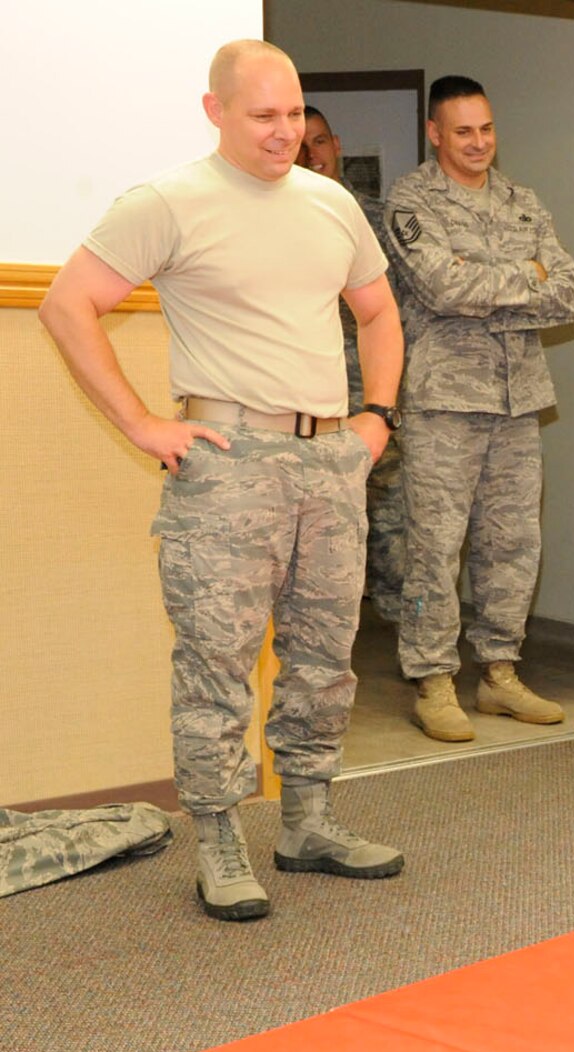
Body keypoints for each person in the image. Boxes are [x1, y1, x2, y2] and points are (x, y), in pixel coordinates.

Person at [38, 39, 406, 921]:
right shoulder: (169, 200)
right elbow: (66, 301)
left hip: (329, 464)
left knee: (323, 657)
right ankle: (217, 837)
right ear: (216, 112)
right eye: (264, 117)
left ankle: (308, 820)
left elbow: (379, 308)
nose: (287, 134)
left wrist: (378, 416)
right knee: (217, 662)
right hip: (230, 465)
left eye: (295, 115)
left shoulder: (329, 203)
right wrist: (141, 422)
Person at [382, 75, 574, 743]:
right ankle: (432, 678)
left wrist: (491, 282)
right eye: (463, 131)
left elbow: (570, 296)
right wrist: (528, 279)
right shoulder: (412, 202)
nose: (479, 142)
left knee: (513, 542)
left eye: (487, 129)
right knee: (434, 546)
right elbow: (439, 284)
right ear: (435, 134)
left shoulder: (524, 202)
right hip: (444, 398)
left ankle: (498, 672)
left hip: (518, 399)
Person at [297, 105, 405, 625]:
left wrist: (385, 404)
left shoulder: (375, 217)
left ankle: (395, 634)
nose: (310, 153)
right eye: (301, 143)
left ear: (336, 145)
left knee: (391, 523)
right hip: (308, 398)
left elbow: (398, 307)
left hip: (373, 396)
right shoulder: (282, 219)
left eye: (318, 141)